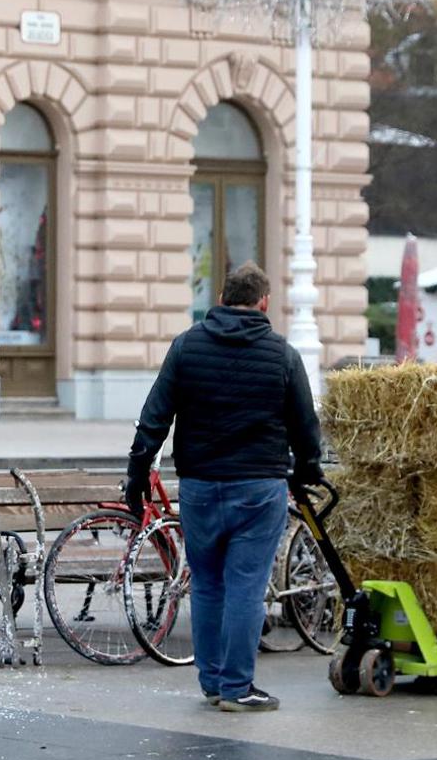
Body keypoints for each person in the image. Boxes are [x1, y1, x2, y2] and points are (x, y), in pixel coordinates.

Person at [126, 261, 322, 713]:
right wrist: (309, 467)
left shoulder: (186, 347)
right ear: (264, 303)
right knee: (246, 588)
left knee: (210, 585)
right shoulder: (282, 355)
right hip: (258, 488)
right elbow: (305, 425)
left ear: (219, 300)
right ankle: (237, 687)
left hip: (199, 486)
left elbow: (153, 418)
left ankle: (212, 682)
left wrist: (137, 478)